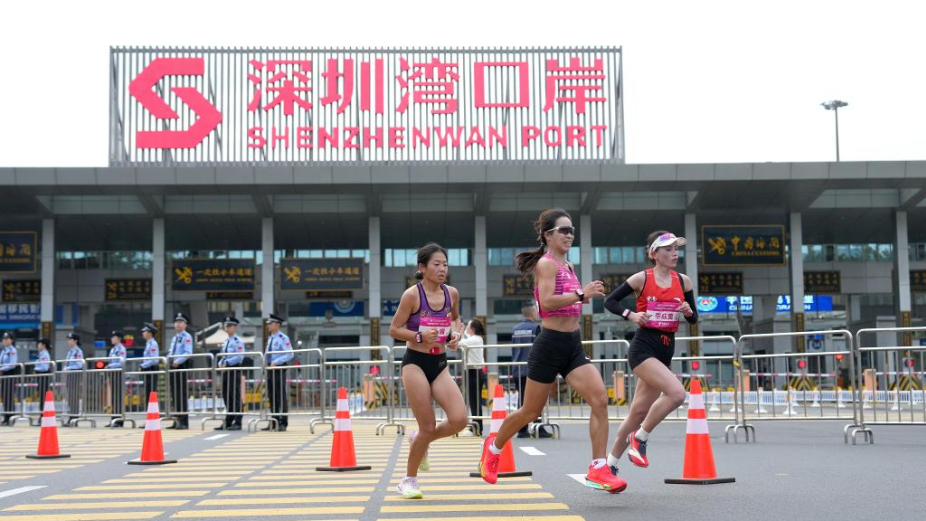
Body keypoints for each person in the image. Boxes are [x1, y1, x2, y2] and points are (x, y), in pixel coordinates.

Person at [478, 208, 626, 493]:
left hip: (572, 344)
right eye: (564, 230)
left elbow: (567, 299)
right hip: (549, 344)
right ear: (548, 235)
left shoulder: (569, 266)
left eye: (572, 230)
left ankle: (598, 468)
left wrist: (581, 297)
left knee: (599, 400)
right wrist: (581, 294)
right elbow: (546, 303)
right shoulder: (547, 264)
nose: (570, 235)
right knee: (530, 412)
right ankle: (493, 447)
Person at [603, 231, 698, 477]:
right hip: (644, 349)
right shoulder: (641, 279)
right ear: (654, 253)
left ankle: (609, 466)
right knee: (677, 394)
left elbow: (694, 319)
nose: (674, 253)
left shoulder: (683, 281)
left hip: (666, 350)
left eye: (676, 248)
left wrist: (688, 311)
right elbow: (610, 302)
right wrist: (632, 315)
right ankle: (641, 437)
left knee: (637, 413)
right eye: (668, 249)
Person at [389, 243, 466, 499]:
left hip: (440, 363)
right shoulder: (412, 295)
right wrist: (419, 336)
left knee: (460, 420)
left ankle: (419, 439)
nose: (442, 269)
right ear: (422, 268)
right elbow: (394, 329)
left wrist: (456, 335)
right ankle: (408, 480)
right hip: (415, 363)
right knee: (428, 425)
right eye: (436, 264)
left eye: (445, 264)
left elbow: (456, 319)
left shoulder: (451, 293)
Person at [511, 303, 551, 438]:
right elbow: (541, 348)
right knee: (536, 399)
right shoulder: (536, 328)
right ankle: (538, 427)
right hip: (533, 368)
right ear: (533, 313)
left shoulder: (515, 329)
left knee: (522, 400)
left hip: (517, 368)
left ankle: (522, 429)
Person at [264, 314, 293, 432]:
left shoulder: (283, 338)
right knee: (271, 395)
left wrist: (277, 361)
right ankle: (274, 420)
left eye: (270, 324)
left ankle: (283, 422)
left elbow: (290, 354)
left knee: (280, 395)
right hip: (270, 369)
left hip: (279, 368)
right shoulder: (270, 338)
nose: (268, 326)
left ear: (277, 325)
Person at [217, 316, 246, 431]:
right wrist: (220, 363)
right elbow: (223, 356)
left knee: (235, 396)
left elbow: (240, 356)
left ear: (235, 327)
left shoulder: (238, 341)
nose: (227, 328)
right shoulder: (226, 341)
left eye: (229, 326)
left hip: (234, 370)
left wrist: (227, 363)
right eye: (226, 326)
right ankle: (229, 420)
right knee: (226, 395)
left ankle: (238, 421)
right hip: (226, 371)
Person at [459, 318, 487, 435]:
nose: (466, 328)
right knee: (474, 400)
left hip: (474, 372)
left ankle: (477, 427)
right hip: (474, 371)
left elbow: (460, 343)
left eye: (468, 326)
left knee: (475, 401)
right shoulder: (475, 339)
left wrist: (460, 332)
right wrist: (462, 332)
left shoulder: (475, 339)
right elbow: (463, 344)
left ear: (473, 329)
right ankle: (477, 426)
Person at [167, 313, 193, 430]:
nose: (177, 324)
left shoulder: (187, 337)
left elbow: (188, 352)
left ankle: (184, 421)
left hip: (181, 366)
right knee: (175, 394)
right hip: (173, 366)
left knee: (181, 394)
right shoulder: (175, 338)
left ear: (185, 325)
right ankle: (177, 420)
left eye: (180, 322)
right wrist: (167, 359)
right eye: (176, 322)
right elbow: (170, 351)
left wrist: (177, 361)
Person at [105, 330, 127, 426]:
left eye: (114, 337)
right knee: (114, 397)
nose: (112, 339)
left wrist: (110, 366)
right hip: (112, 373)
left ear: (118, 338)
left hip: (118, 373)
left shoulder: (121, 349)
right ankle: (113, 418)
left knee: (118, 397)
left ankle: (119, 420)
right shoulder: (113, 349)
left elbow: (121, 362)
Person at [139, 323, 161, 410]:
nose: (143, 333)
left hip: (151, 369)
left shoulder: (153, 344)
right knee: (148, 391)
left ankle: (153, 412)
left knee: (151, 391)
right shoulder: (148, 343)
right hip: (147, 369)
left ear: (150, 333)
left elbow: (154, 360)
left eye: (145, 331)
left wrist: (143, 365)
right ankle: (150, 412)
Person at [64, 332, 84, 422]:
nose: (68, 341)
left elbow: (79, 365)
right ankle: (71, 416)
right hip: (69, 375)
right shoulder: (70, 352)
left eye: (70, 339)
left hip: (75, 375)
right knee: (70, 397)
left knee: (74, 396)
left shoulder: (78, 352)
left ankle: (74, 417)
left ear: (75, 341)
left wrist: (68, 368)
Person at [0, 332, 19, 425]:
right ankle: (6, 417)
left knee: (9, 396)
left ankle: (10, 417)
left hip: (10, 374)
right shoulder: (4, 350)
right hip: (4, 374)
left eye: (7, 339)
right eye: (4, 339)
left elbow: (12, 364)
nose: (5, 340)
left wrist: (2, 369)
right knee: (4, 396)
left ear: (11, 340)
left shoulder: (12, 350)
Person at [34, 338, 53, 414]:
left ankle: (43, 414)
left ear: (43, 345)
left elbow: (44, 367)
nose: (38, 345)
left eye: (39, 344)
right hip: (41, 376)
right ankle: (42, 413)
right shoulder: (41, 354)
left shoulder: (44, 354)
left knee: (43, 396)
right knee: (42, 396)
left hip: (43, 377)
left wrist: (36, 369)